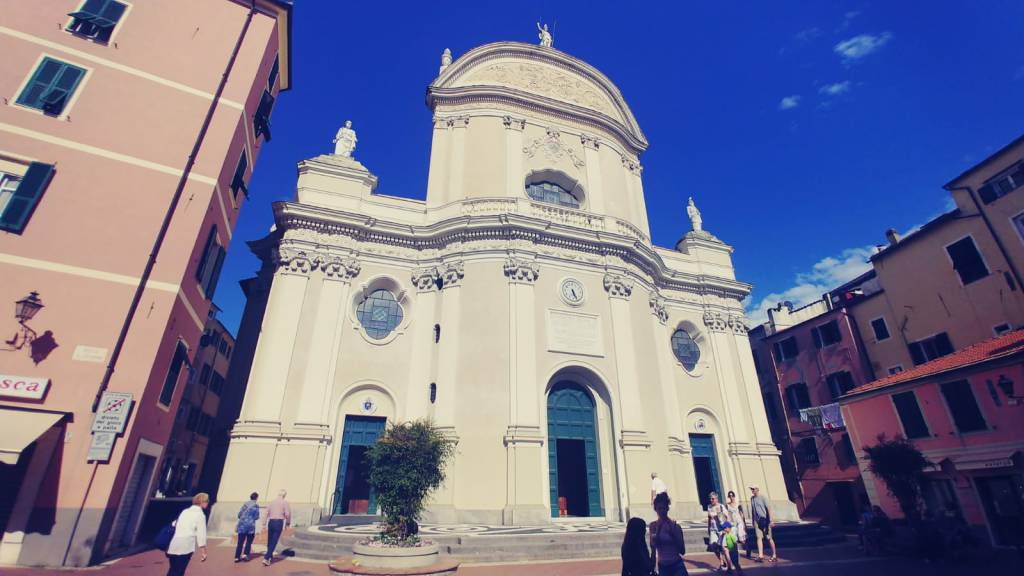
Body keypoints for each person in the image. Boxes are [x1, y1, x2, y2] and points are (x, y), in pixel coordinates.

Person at [166, 492, 209, 576]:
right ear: (202, 502)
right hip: (186, 546)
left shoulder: (185, 511)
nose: (208, 503)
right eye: (207, 501)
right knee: (179, 571)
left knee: (173, 570)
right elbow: (201, 534)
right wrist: (203, 551)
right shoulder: (200, 515)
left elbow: (175, 524)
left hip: (174, 544)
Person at [650, 492, 687, 576]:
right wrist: (652, 568)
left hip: (677, 566)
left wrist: (673, 533)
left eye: (663, 508)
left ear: (667, 508)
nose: (661, 511)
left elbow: (682, 551)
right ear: (655, 509)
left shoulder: (675, 526)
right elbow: (653, 548)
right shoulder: (653, 526)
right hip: (662, 567)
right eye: (659, 508)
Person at [263, 489, 291, 566]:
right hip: (278, 522)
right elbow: (287, 514)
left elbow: (266, 512)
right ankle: (266, 558)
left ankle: (270, 556)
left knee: (270, 540)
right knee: (274, 540)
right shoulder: (285, 502)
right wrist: (287, 523)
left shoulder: (272, 502)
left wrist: (263, 524)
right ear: (284, 495)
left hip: (271, 522)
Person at [748, 485, 776, 563]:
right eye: (751, 489)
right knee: (758, 537)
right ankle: (760, 555)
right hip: (757, 521)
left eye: (753, 489)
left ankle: (774, 555)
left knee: (769, 538)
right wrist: (753, 521)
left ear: (757, 489)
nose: (752, 490)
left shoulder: (763, 497)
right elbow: (753, 510)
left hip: (765, 520)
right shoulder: (752, 499)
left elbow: (769, 509)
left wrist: (771, 520)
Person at [234, 492, 260, 562]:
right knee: (248, 542)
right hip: (250, 526)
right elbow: (256, 517)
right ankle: (245, 555)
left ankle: (237, 557)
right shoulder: (256, 506)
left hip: (242, 525)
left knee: (240, 542)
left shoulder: (245, 504)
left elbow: (239, 515)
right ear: (256, 498)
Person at [706, 492, 728, 571]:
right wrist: (708, 528)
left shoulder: (721, 506)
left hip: (721, 529)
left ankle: (729, 566)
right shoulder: (709, 507)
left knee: (724, 548)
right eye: (710, 499)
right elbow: (709, 518)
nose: (711, 500)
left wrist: (726, 528)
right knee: (713, 545)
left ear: (716, 499)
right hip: (713, 529)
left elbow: (726, 518)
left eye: (713, 498)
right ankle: (722, 562)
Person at [724, 491, 747, 557]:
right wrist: (727, 525)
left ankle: (747, 548)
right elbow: (727, 515)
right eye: (730, 496)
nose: (731, 497)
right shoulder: (727, 505)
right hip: (733, 523)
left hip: (739, 522)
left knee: (742, 539)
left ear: (734, 496)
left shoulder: (738, 504)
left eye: (732, 495)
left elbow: (741, 514)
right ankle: (736, 553)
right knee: (734, 540)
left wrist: (744, 524)